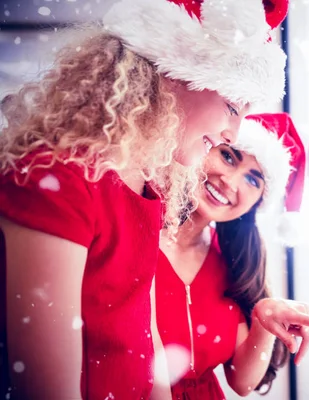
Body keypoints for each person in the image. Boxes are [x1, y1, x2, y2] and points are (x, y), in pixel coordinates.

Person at [0, 0, 289, 398]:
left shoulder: (148, 191)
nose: (233, 134)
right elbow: (46, 388)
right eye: (231, 107)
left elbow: (143, 335)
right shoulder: (57, 179)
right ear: (172, 74)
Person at [155, 113, 309, 399]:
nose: (230, 182)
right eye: (228, 157)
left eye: (253, 179)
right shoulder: (138, 234)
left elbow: (241, 383)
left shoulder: (233, 261)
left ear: (258, 201)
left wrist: (264, 320)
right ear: (203, 147)